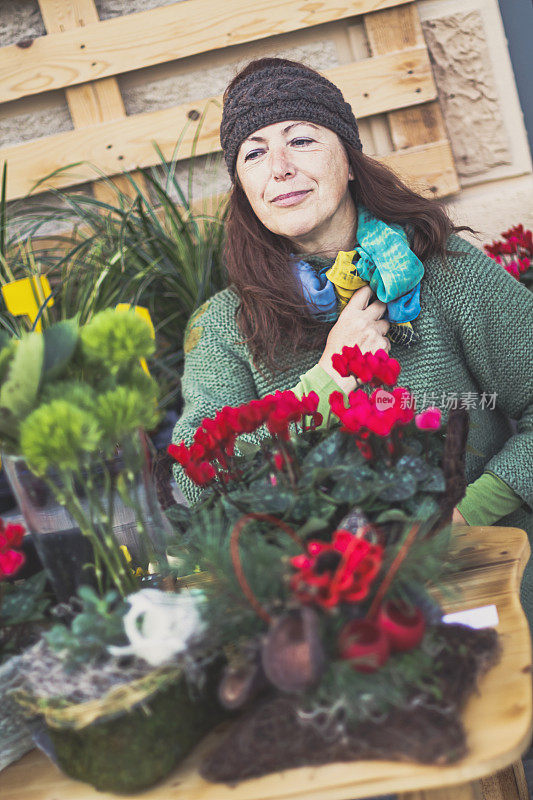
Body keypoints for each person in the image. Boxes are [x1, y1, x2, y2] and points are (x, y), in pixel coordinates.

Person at [171, 57, 533, 616]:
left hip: (479, 581)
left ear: (349, 162)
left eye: (302, 140)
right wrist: (325, 382)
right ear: (243, 187)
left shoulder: (443, 272)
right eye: (255, 153)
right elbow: (195, 485)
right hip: (324, 618)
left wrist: (463, 516)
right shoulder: (224, 328)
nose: (280, 168)